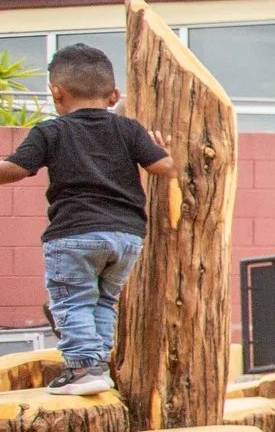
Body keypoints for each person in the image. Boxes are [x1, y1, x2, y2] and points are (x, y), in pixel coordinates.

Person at [0, 44, 174, 395]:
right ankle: (96, 368)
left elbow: (15, 169)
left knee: (72, 299)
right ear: (114, 95)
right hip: (126, 237)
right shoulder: (129, 129)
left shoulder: (51, 131)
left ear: (56, 93)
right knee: (103, 301)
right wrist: (166, 151)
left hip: (75, 234)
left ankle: (81, 369)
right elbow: (163, 167)